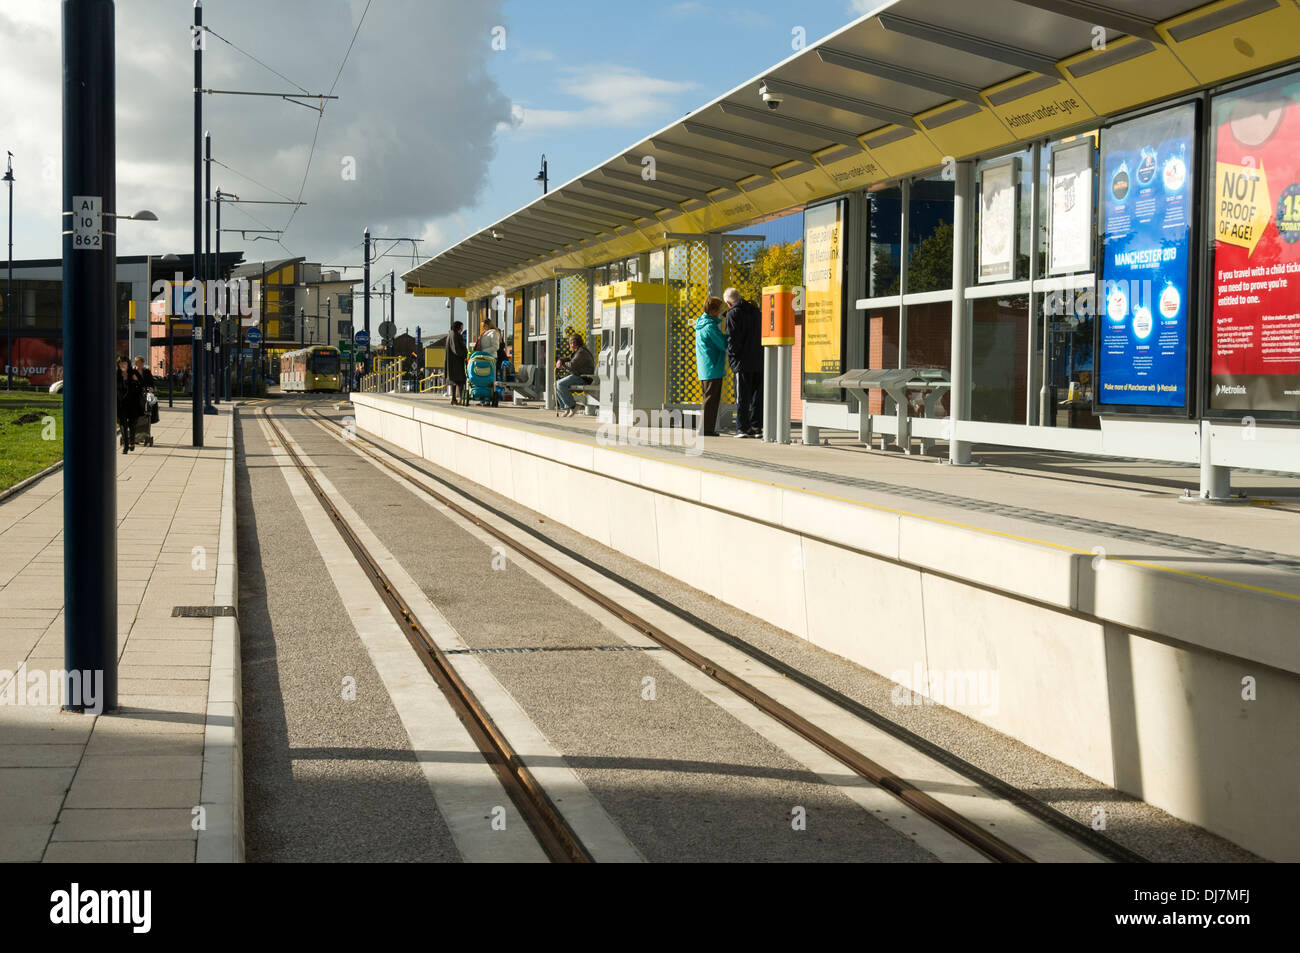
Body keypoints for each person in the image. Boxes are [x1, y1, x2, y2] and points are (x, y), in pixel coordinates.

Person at [723, 287, 763, 437]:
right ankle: (756, 426)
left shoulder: (733, 314)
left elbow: (732, 339)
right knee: (756, 396)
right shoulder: (755, 311)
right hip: (759, 360)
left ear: (728, 302)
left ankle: (742, 427)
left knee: (742, 396)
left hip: (742, 362)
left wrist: (732, 355)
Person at [694, 297, 728, 437]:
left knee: (708, 398)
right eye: (719, 308)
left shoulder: (701, 324)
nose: (720, 311)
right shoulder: (710, 327)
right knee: (711, 399)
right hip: (712, 367)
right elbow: (722, 344)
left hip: (705, 367)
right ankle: (705, 429)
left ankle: (706, 428)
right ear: (713, 310)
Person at [554, 333, 595, 418]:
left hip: (584, 377)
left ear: (578, 343)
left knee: (560, 384)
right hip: (578, 376)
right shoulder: (577, 351)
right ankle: (567, 408)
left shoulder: (582, 352)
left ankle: (573, 406)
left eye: (574, 343)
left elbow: (572, 364)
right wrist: (561, 360)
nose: (571, 345)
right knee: (555, 385)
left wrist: (562, 364)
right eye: (570, 343)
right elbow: (568, 358)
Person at [116, 356, 144, 454]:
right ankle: (126, 445)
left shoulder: (134, 373)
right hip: (120, 404)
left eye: (124, 363)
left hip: (133, 404)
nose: (122, 365)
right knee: (123, 425)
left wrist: (136, 380)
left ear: (128, 365)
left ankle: (132, 441)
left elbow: (141, 387)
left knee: (132, 425)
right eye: (120, 364)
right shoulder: (116, 375)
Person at [446, 320, 467, 404]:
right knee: (460, 380)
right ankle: (460, 398)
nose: (462, 329)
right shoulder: (456, 335)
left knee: (453, 380)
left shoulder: (450, 335)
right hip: (457, 361)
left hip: (451, 361)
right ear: (458, 327)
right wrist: (465, 354)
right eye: (461, 327)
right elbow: (456, 349)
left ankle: (454, 398)